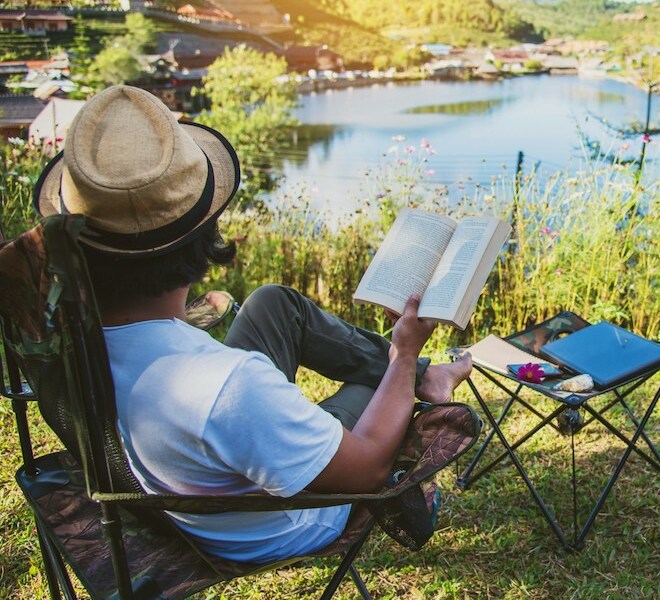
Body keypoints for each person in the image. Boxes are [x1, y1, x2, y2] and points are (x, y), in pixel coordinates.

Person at [31, 85, 472, 564]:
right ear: (202, 240)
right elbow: (365, 468)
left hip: (185, 472)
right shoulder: (227, 385)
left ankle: (424, 376)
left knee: (273, 304)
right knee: (382, 381)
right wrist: (403, 354)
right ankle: (417, 373)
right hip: (280, 520)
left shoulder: (71, 338)